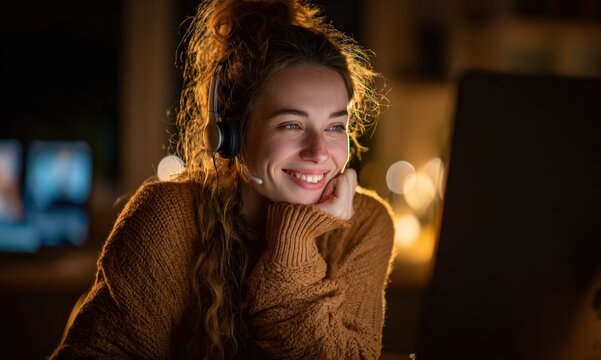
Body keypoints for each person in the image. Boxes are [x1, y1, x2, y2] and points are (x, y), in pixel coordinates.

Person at [50, 0, 394, 358]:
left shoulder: (366, 223)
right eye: (291, 124)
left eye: (335, 126)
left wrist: (293, 240)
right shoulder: (168, 216)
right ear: (230, 133)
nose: (319, 152)